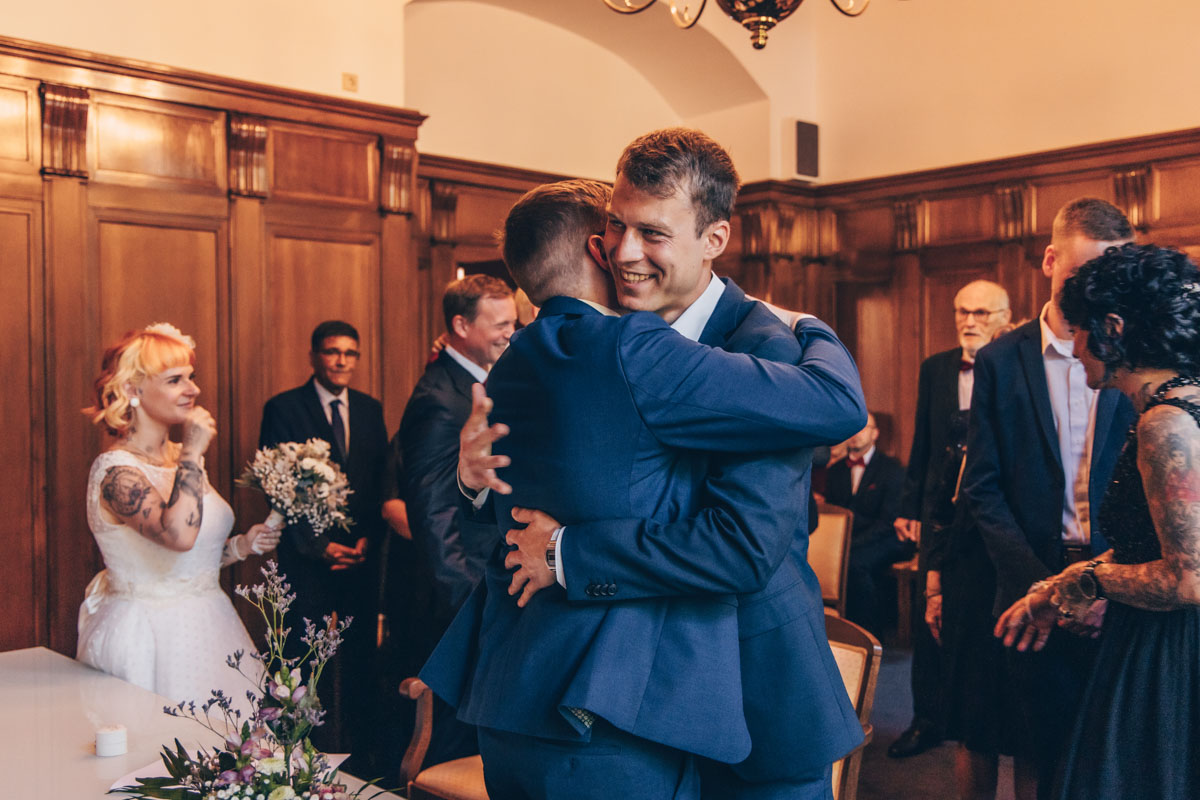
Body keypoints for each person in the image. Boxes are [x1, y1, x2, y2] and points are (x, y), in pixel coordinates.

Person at [428, 136, 864, 799]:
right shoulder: (574, 342)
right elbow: (523, 507)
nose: (625, 252)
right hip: (609, 706)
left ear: (713, 239)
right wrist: (472, 480)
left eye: (652, 233)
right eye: (615, 227)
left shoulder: (767, 350)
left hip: (749, 689)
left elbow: (744, 544)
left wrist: (571, 554)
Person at [994, 243, 1200, 799]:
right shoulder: (1176, 404)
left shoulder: (1167, 423)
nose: (1072, 344)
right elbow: (1151, 543)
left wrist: (1083, 581)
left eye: (1078, 328)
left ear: (1112, 327)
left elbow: (1188, 578)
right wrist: (1054, 590)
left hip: (1167, 654)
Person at [961, 198, 1136, 800]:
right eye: (1078, 275)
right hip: (1030, 577)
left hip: (1123, 585)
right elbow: (982, 487)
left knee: (1116, 755)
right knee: (1040, 750)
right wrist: (1046, 589)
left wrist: (1107, 586)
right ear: (1048, 259)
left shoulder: (1133, 356)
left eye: (1105, 277)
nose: (1091, 291)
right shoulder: (999, 360)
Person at [77, 324, 279, 715]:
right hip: (149, 637)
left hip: (210, 624)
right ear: (133, 390)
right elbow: (177, 536)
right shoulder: (116, 472)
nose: (192, 389)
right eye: (175, 380)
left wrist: (241, 545)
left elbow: (187, 562)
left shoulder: (178, 457)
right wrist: (192, 453)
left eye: (191, 377)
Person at [888, 280, 1012, 768]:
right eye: (963, 311)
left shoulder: (1014, 366)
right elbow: (924, 442)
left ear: (1006, 316)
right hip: (938, 511)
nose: (970, 321)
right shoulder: (936, 368)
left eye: (982, 313)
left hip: (991, 511)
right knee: (929, 616)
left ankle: (977, 719)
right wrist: (907, 506)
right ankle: (926, 717)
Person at [398, 274, 517, 765]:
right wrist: (472, 605)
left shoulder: (482, 381)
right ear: (461, 325)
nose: (512, 332)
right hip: (458, 600)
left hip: (486, 582)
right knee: (451, 740)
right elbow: (433, 513)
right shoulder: (439, 399)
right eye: (502, 323)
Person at [258, 319, 388, 759]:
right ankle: (296, 750)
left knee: (359, 657)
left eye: (350, 353)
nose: (341, 361)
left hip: (360, 558)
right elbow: (275, 487)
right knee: (299, 655)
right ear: (313, 356)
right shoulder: (284, 407)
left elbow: (376, 483)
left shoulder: (371, 409)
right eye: (333, 352)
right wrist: (318, 546)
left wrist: (368, 541)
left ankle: (361, 751)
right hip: (307, 559)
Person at [825, 413, 907, 636]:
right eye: (853, 427)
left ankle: (866, 634)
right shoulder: (835, 471)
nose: (856, 433)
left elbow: (888, 521)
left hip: (885, 538)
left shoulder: (892, 469)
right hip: (848, 539)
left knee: (854, 565)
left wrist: (851, 544)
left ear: (875, 434)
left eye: (863, 428)